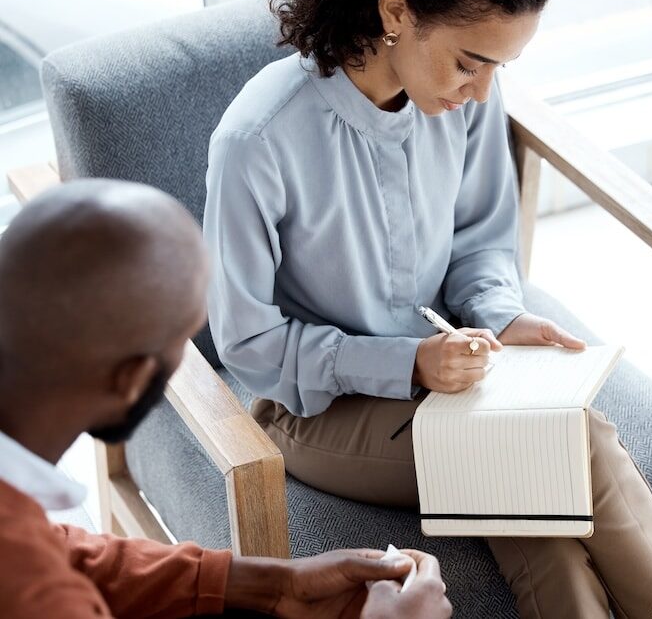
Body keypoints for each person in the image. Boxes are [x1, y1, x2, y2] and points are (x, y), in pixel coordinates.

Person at [203, 0, 652, 617]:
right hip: (310, 407)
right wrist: (409, 363)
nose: (484, 92)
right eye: (470, 62)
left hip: (452, 375)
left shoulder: (462, 105)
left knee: (537, 504)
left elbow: (478, 245)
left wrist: (502, 313)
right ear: (396, 11)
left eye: (500, 67)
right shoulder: (257, 141)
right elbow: (249, 349)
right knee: (571, 440)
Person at [0, 179, 452, 619]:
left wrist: (272, 585)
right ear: (132, 379)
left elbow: (61, 550)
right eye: (183, 339)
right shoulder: (34, 592)